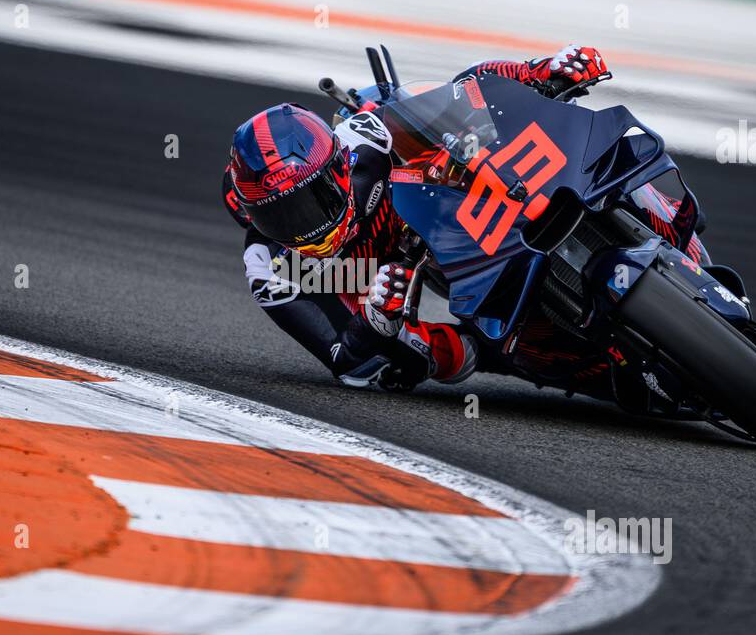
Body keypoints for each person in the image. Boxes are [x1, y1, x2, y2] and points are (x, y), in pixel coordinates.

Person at [221, 45, 611, 390]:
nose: (303, 224)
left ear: (338, 165)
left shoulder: (364, 138)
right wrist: (375, 319)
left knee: (579, 151)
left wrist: (538, 74)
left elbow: (470, 88)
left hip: (452, 208)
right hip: (385, 274)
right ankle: (517, 353)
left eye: (311, 201)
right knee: (433, 355)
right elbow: (346, 361)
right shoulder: (272, 266)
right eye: (278, 217)